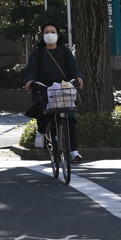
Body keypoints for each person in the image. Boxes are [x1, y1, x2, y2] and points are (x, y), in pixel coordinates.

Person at [23, 21, 83, 164]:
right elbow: (30, 70)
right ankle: (41, 131)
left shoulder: (65, 52)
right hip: (44, 88)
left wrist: (78, 77)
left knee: (69, 117)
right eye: (46, 32)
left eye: (53, 32)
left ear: (58, 35)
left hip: (63, 89)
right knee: (44, 111)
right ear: (42, 35)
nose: (50, 34)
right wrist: (30, 81)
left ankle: (74, 152)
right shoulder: (37, 53)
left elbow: (73, 67)